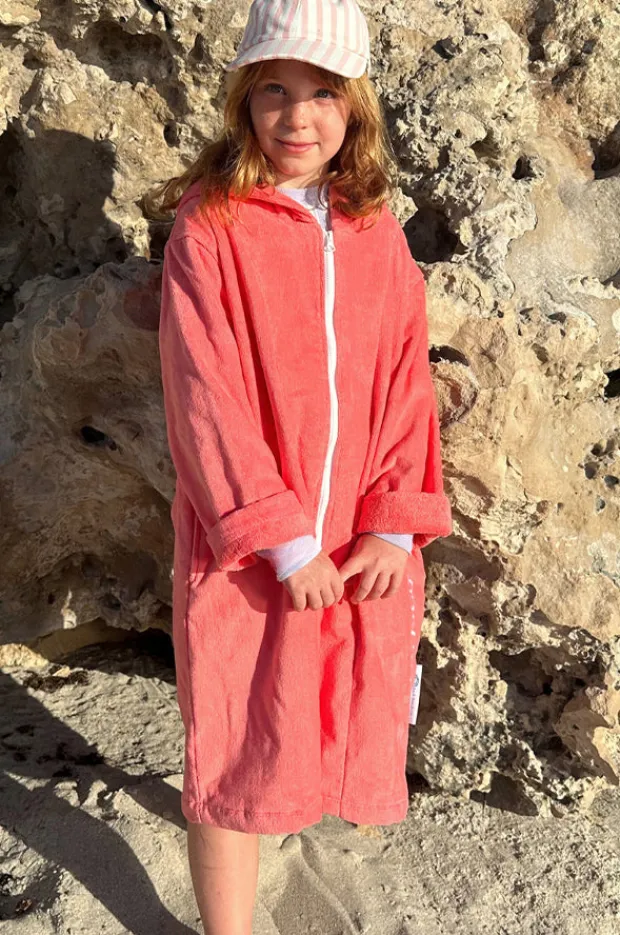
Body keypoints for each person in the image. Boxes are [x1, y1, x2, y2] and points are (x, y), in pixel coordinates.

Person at [154, 0, 453, 931]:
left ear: (355, 106)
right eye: (274, 90)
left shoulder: (375, 231)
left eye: (323, 92)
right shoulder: (210, 228)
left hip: (357, 547)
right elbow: (204, 395)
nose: (297, 116)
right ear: (245, 99)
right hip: (248, 546)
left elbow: (406, 380)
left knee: (325, 713)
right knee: (231, 745)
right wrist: (282, 541)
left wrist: (393, 525)